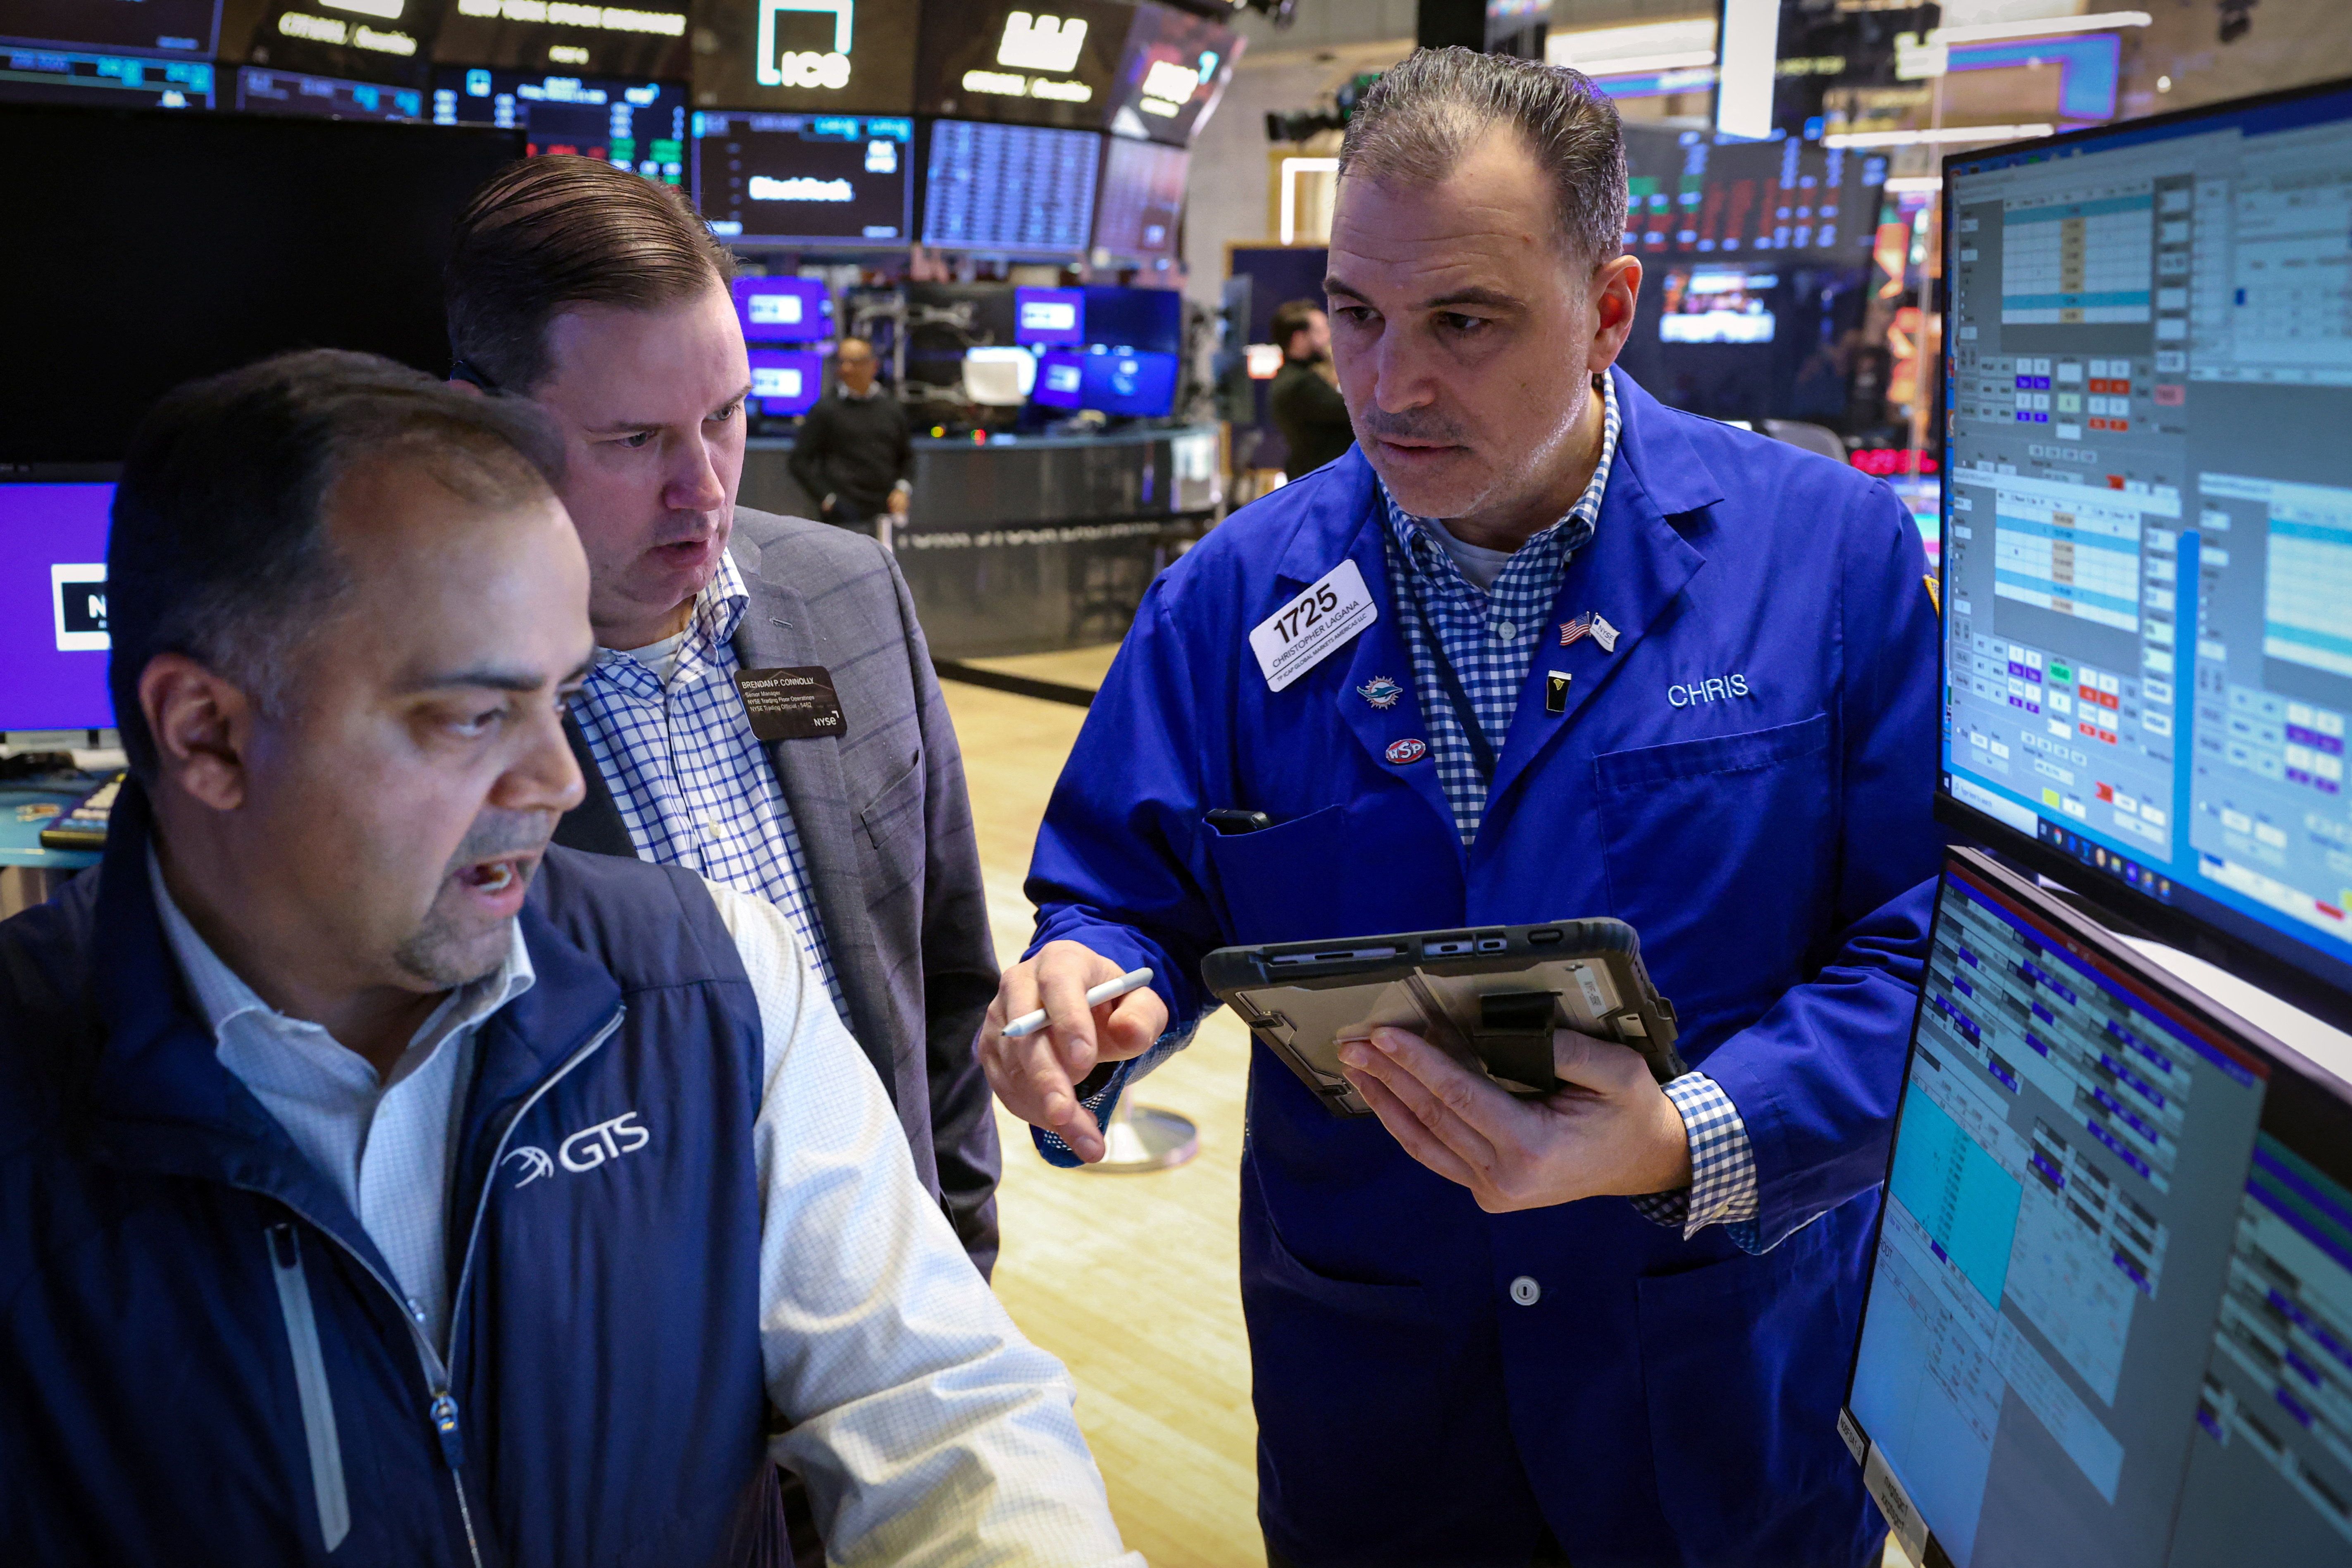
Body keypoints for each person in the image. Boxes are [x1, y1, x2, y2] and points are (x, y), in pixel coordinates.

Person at [981, 49, 1939, 1568]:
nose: (1389, 383)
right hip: (1380, 1407)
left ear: (1610, 308)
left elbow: (1924, 965)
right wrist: (1089, 992)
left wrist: (1680, 1132)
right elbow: (1128, 894)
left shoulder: (1825, 561)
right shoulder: (1234, 598)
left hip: (1708, 1386)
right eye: (1355, 315)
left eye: (1464, 323)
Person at [0, 351, 1139, 1568]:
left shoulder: (713, 982)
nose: (558, 780)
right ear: (207, 732)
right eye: (475, 714)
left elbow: (947, 1423)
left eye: (562, 696)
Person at [444, 158, 1002, 1272]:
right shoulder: (418, 704)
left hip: (898, 1301)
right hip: (627, 1370)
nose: (704, 488)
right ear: (486, 431)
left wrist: (961, 1256)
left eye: (728, 415)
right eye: (634, 440)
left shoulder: (849, 595)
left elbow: (944, 985)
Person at [787, 336, 914, 533]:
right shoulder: (825, 410)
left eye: (854, 362)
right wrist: (828, 498)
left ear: (874, 366)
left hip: (883, 514)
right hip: (841, 517)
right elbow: (799, 461)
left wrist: (902, 489)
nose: (846, 369)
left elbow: (907, 458)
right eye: (842, 362)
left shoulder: (892, 408)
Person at [1266, 297, 1355, 480]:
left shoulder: (1291, 377)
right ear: (1299, 339)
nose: (1329, 336)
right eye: (1321, 331)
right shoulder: (1301, 386)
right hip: (1327, 485)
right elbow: (1356, 412)